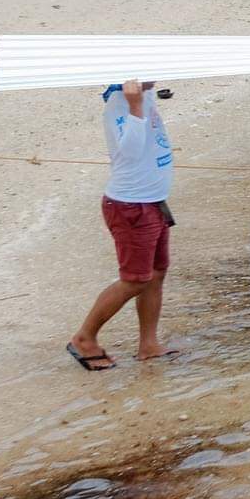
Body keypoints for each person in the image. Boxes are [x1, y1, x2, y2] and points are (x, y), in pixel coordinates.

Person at [67, 79, 178, 369]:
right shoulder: (120, 105)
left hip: (153, 202)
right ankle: (84, 338)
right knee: (135, 278)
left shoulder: (146, 94)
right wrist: (135, 105)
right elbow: (130, 149)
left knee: (156, 273)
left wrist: (145, 96)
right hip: (131, 206)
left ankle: (149, 344)